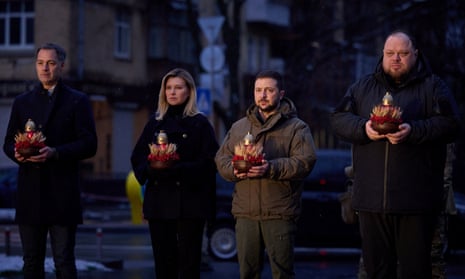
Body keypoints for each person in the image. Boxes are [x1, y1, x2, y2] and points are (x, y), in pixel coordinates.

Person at [330, 31, 460, 278]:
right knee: (377, 272)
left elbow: (452, 124)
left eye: (403, 53)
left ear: (415, 55)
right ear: (383, 55)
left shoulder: (433, 86)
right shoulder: (363, 86)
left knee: (414, 272)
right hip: (371, 200)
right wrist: (363, 128)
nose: (396, 59)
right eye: (390, 53)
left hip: (416, 202)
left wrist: (414, 130)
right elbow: (337, 119)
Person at [3, 43, 98, 279]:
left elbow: (89, 144)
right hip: (30, 193)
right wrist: (15, 153)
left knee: (64, 261)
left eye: (51, 63)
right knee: (31, 262)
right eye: (40, 63)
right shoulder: (22, 102)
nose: (44, 68)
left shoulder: (77, 100)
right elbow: (7, 142)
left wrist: (56, 152)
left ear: (62, 66)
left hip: (62, 193)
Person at [215, 70, 317, 278]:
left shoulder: (297, 128)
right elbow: (221, 159)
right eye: (258, 90)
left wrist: (271, 168)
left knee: (282, 273)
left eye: (269, 90)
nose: (262, 95)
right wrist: (234, 170)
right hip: (245, 213)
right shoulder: (239, 127)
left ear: (281, 94)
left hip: (279, 212)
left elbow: (305, 161)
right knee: (248, 273)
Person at [131, 68, 218, 279]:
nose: (172, 92)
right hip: (159, 203)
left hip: (190, 203)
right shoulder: (155, 122)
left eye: (178, 87)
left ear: (189, 91)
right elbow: (138, 157)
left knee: (188, 266)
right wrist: (152, 169)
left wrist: (178, 169)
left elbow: (209, 163)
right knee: (164, 265)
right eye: (169, 87)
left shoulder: (200, 124)